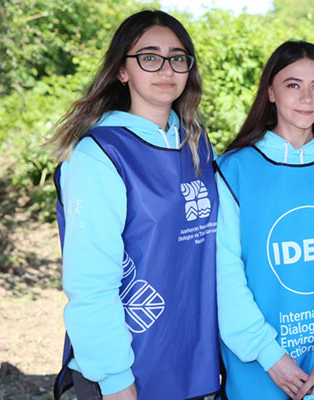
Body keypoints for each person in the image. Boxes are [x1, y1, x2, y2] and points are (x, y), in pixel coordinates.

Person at [48, 10, 219, 400]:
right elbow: (90, 281)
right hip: (126, 370)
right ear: (122, 71)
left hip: (191, 360)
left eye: (177, 57)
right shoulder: (100, 153)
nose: (166, 68)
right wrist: (114, 380)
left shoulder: (195, 142)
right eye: (149, 57)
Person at [215, 40, 314, 400]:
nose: (307, 98)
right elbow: (224, 272)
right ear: (270, 92)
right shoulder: (233, 169)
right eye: (293, 84)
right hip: (257, 361)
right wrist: (268, 353)